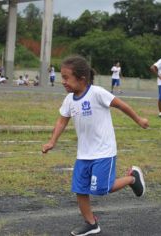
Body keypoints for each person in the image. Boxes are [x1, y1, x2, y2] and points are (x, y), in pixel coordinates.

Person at [42, 56, 148, 236]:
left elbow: (121, 105)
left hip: (103, 151)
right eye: (62, 77)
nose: (63, 82)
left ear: (81, 79)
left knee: (101, 189)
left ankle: (132, 178)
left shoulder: (97, 93)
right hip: (83, 154)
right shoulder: (69, 100)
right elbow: (62, 122)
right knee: (80, 189)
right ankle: (91, 223)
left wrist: (139, 119)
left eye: (66, 78)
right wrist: (52, 141)